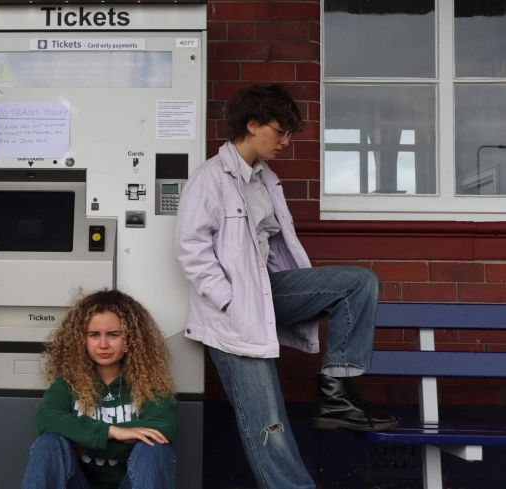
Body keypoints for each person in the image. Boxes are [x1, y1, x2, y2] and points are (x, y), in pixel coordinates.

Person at [174, 84, 397, 489]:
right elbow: (191, 249)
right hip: (233, 319)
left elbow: (274, 248)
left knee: (358, 283)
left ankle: (335, 389)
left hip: (266, 294)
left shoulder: (264, 179)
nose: (286, 141)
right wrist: (229, 301)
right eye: (280, 131)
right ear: (252, 124)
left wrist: (287, 291)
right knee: (270, 427)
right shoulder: (211, 178)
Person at [21, 289, 178, 489]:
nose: (103, 344)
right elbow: (46, 419)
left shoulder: (151, 385)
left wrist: (83, 438)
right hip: (79, 483)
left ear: (132, 338)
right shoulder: (69, 383)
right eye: (94, 335)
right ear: (81, 339)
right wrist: (113, 432)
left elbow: (163, 428)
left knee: (154, 448)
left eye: (113, 334)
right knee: (49, 443)